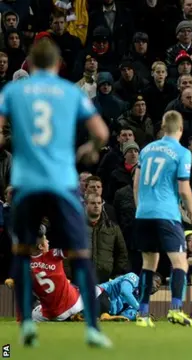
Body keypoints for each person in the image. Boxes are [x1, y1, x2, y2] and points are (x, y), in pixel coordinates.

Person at [0, 39, 110, 347]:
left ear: (30, 65)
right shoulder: (71, 92)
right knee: (80, 252)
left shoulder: (13, 91)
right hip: (62, 180)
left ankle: (25, 326)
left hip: (26, 182)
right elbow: (101, 133)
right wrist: (91, 148)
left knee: (22, 252)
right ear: (58, 64)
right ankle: (92, 328)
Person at [133, 110, 192, 328]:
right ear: (181, 129)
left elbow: (136, 182)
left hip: (144, 213)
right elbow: (183, 188)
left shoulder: (146, 150)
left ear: (162, 126)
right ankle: (176, 310)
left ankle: (142, 315)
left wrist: (140, 207)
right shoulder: (182, 153)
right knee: (180, 262)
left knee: (148, 263)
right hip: (167, 213)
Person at [5, 231, 84, 323]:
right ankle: (79, 314)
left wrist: (20, 319)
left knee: (32, 312)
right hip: (72, 304)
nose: (48, 241)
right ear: (41, 246)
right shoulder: (53, 254)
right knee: (98, 289)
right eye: (46, 240)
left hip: (49, 314)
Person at [97, 272, 161, 321]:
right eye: (157, 281)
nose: (157, 286)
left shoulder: (140, 298)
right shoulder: (133, 277)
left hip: (110, 311)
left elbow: (126, 315)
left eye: (159, 285)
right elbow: (125, 291)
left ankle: (104, 316)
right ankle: (104, 315)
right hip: (99, 294)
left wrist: (138, 316)